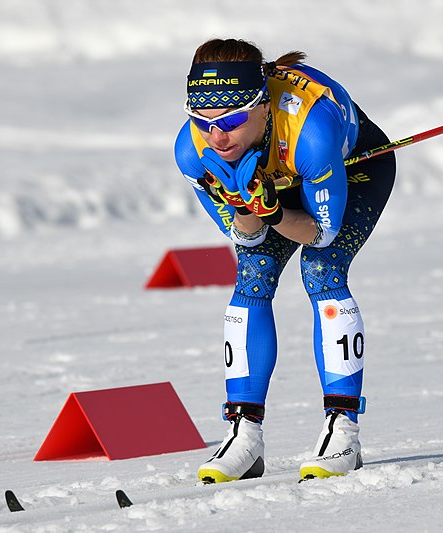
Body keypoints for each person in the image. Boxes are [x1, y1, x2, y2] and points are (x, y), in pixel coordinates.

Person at [174, 38, 396, 483]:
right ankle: (244, 434)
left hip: (348, 169)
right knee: (252, 276)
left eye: (232, 120)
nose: (218, 137)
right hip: (279, 184)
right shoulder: (194, 150)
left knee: (321, 270)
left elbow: (322, 231)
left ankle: (343, 430)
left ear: (261, 106)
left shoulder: (311, 130)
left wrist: (272, 210)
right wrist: (242, 204)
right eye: (203, 120)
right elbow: (248, 242)